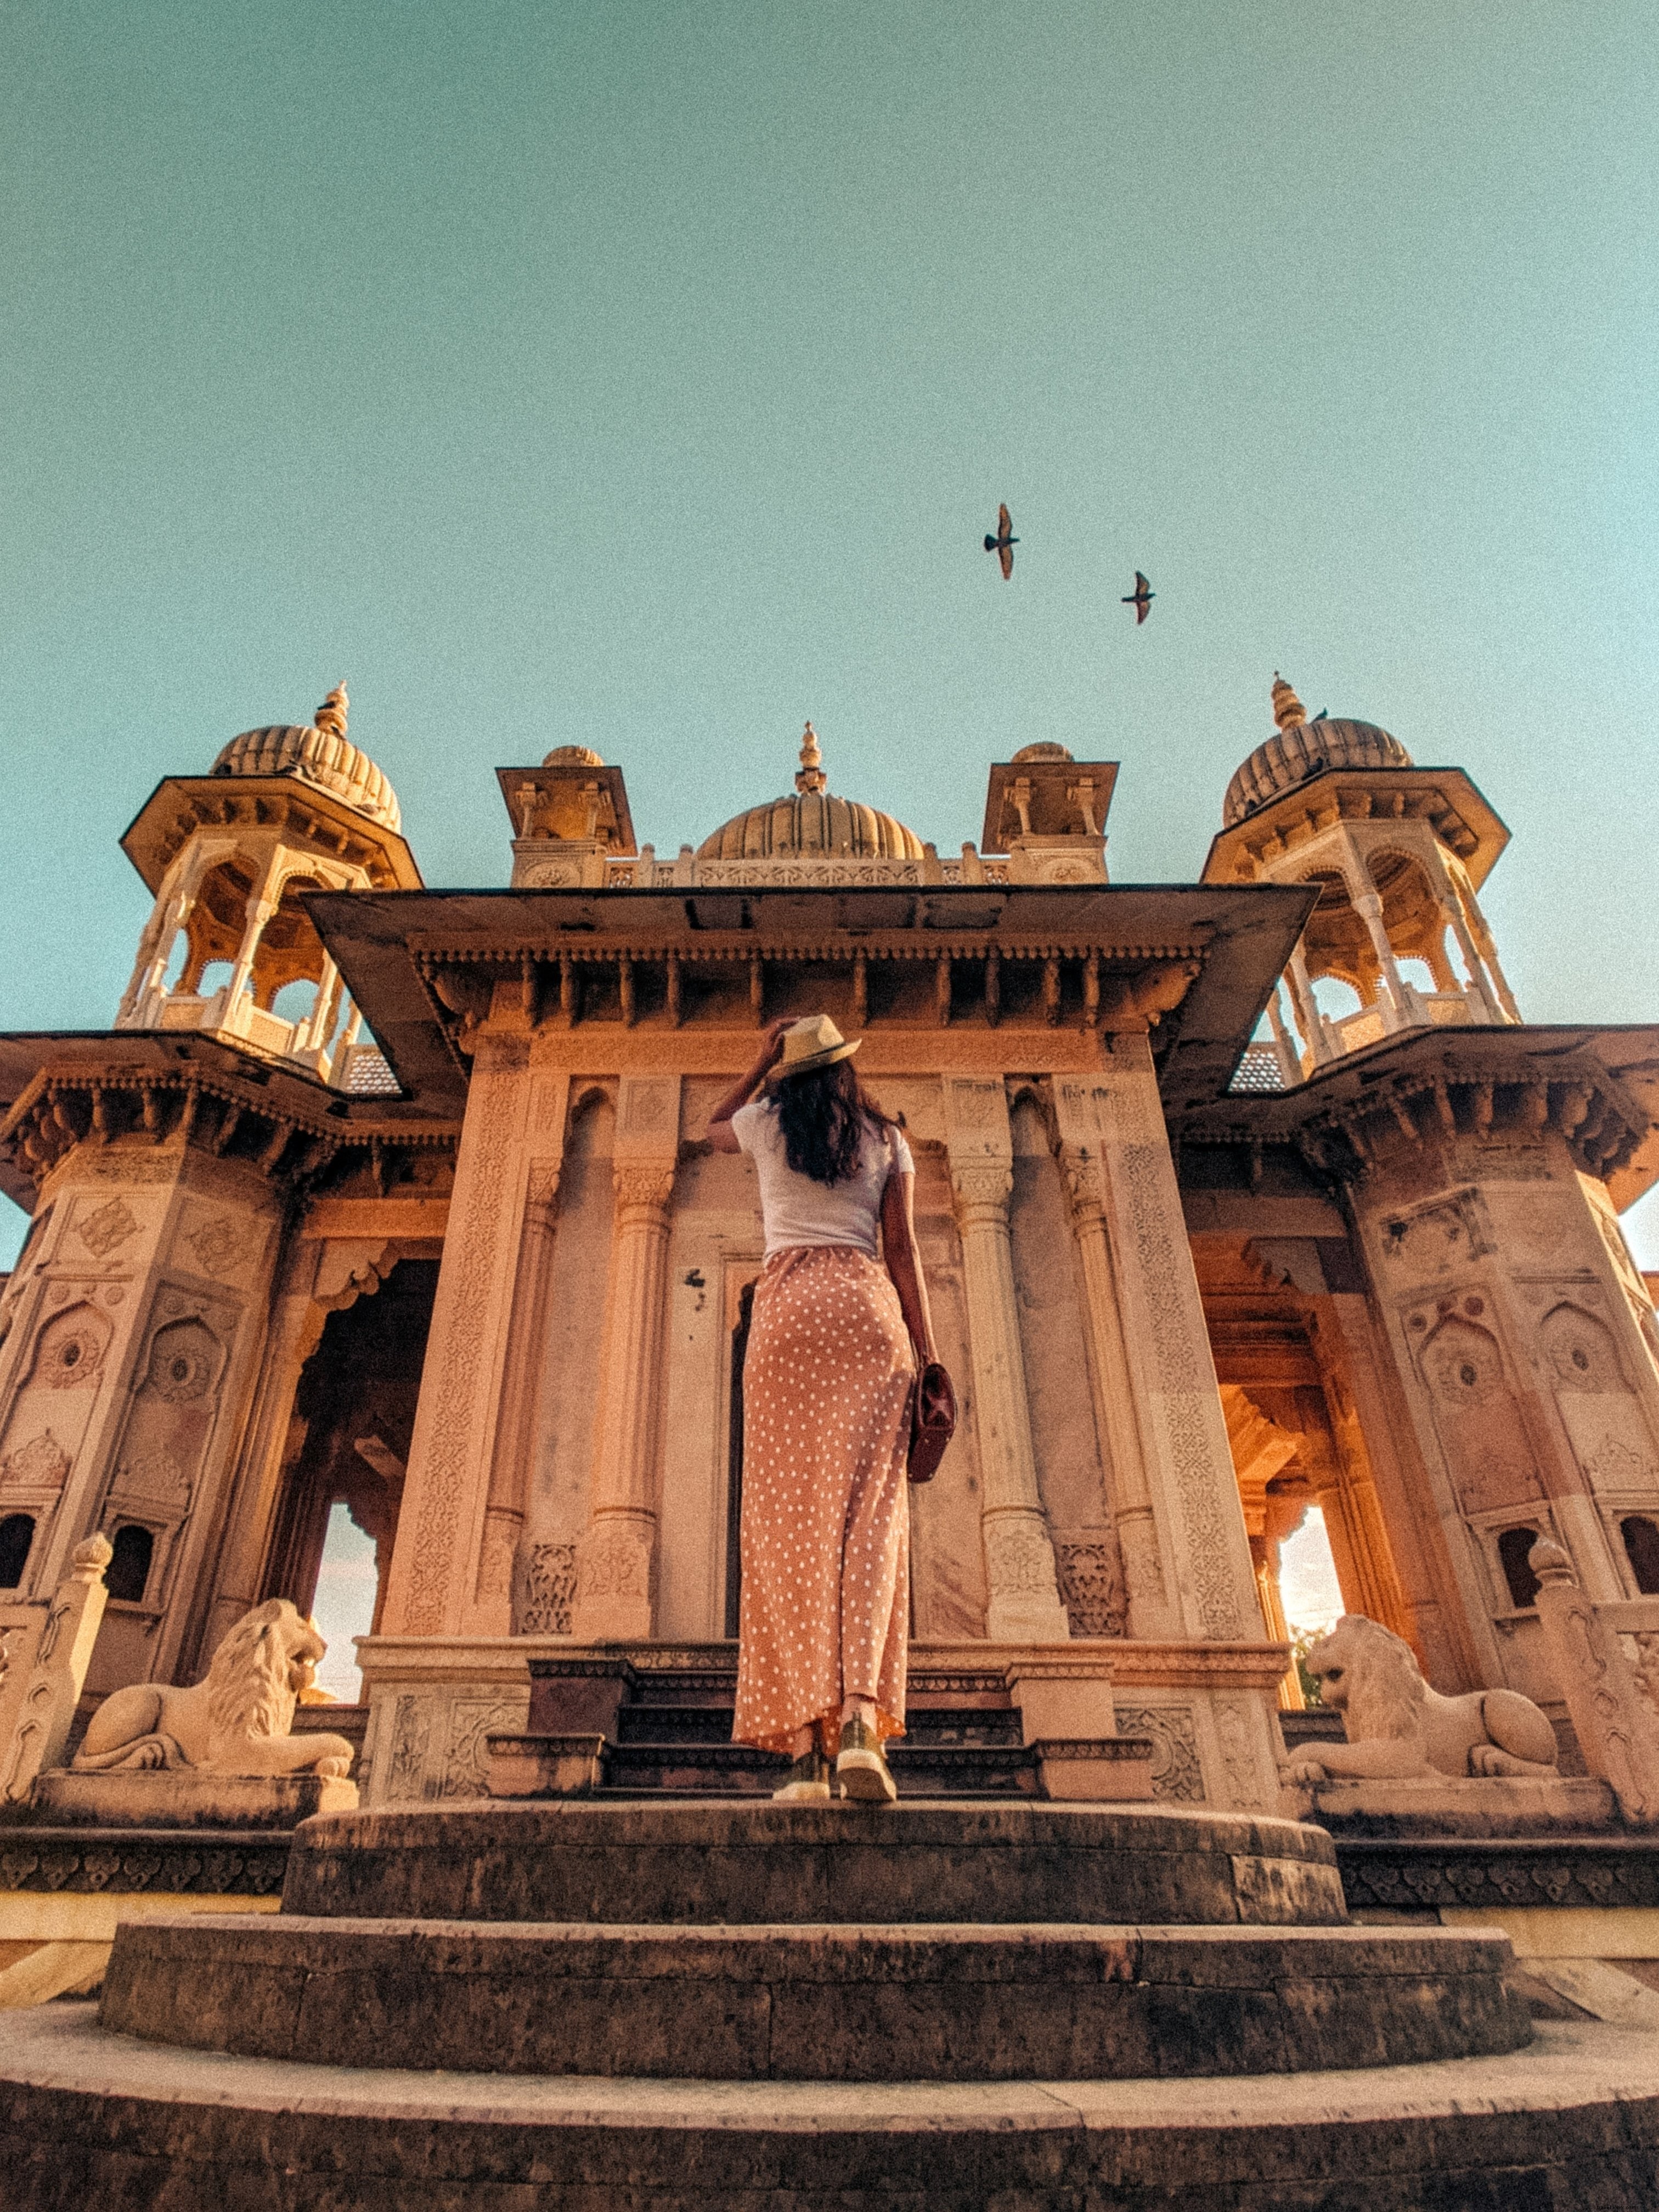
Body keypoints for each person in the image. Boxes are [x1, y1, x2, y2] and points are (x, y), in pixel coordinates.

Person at [707, 1012, 945, 1803]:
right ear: (847, 1070)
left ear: (792, 1074)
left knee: (788, 1529)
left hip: (786, 1318)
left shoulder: (766, 1124)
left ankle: (807, 1757)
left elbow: (706, 1129)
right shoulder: (886, 1139)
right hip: (868, 1317)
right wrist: (931, 1356)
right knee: (870, 1524)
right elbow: (904, 1254)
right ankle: (859, 1725)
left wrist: (756, 1059)